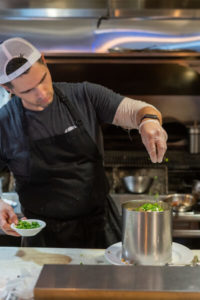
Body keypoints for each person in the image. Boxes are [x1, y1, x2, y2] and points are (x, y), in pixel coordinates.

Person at [0, 37, 167, 248]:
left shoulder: (84, 95)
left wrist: (148, 122)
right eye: (27, 91)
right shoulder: (5, 123)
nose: (41, 94)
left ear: (44, 60)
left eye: (42, 79)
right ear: (7, 88)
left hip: (101, 229)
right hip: (43, 238)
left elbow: (137, 110)